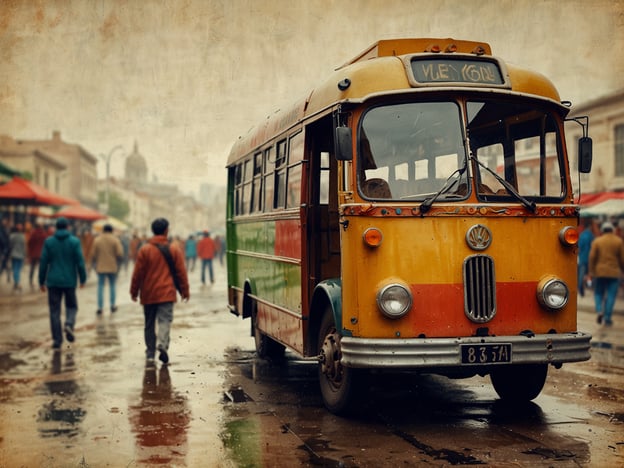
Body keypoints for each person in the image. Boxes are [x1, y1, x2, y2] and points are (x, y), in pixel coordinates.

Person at [130, 218, 189, 365]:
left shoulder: (144, 250)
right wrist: (184, 291)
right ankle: (162, 344)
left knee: (149, 323)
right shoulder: (174, 249)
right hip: (167, 293)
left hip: (148, 293)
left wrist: (134, 291)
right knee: (164, 321)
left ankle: (150, 353)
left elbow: (138, 273)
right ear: (166, 230)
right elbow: (181, 272)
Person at [39, 217, 87, 350]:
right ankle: (69, 323)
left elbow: (43, 262)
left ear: (56, 227)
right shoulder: (74, 242)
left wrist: (41, 281)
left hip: (53, 281)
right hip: (69, 281)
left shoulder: (49, 242)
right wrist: (82, 279)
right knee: (71, 306)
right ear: (67, 227)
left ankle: (57, 340)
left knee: (54, 311)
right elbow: (80, 262)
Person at [588, 221, 624, 326]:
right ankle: (607, 317)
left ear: (602, 231)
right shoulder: (618, 241)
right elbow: (622, 258)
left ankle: (599, 310)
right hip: (614, 272)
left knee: (598, 293)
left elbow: (592, 257)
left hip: (600, 272)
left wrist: (591, 272)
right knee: (611, 295)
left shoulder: (597, 241)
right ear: (612, 230)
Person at [89, 224, 124, 315]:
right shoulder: (115, 240)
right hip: (112, 266)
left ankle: (100, 307)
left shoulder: (97, 240)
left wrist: (94, 264)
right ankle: (112, 305)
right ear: (111, 230)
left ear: (103, 230)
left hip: (100, 267)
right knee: (112, 285)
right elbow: (120, 253)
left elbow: (93, 254)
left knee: (100, 286)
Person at [577, 219, 595, 297]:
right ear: (590, 227)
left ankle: (580, 287)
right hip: (590, 259)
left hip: (583, 258)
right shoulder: (592, 236)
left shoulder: (582, 235)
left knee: (581, 274)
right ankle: (589, 285)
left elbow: (579, 247)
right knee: (589, 274)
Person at [27, 222, 47, 288]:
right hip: (41, 254)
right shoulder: (43, 234)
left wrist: (29, 253)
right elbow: (46, 244)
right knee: (41, 269)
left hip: (33, 254)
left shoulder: (33, 233)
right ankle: (41, 282)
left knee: (32, 268)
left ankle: (30, 281)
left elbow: (29, 243)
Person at [9, 223, 26, 291]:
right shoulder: (23, 236)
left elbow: (10, 245)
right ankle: (17, 282)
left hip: (14, 254)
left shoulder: (12, 236)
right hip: (21, 255)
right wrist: (25, 255)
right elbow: (24, 246)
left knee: (15, 269)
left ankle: (16, 282)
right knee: (18, 269)